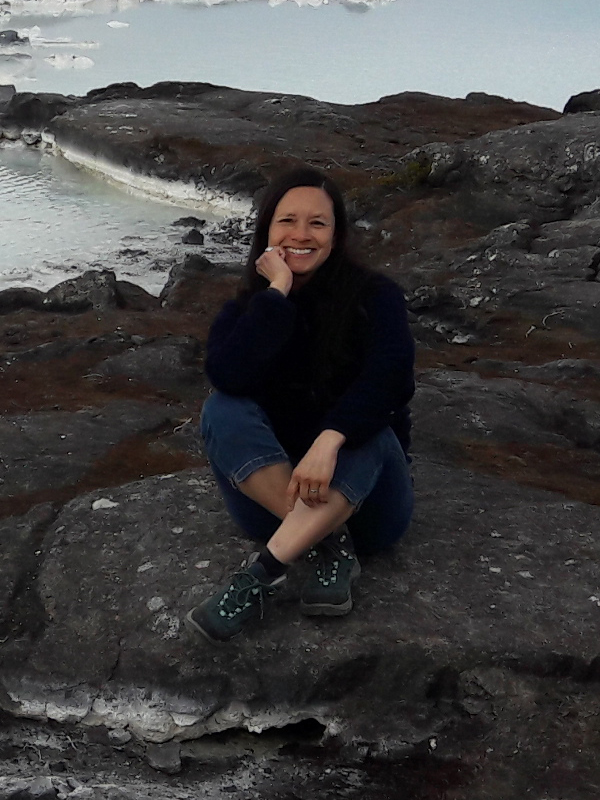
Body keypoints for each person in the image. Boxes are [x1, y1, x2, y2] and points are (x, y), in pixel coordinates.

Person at [185, 166, 415, 644]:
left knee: (370, 428)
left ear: (337, 234)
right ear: (267, 231)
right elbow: (229, 376)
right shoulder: (249, 309)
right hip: (273, 502)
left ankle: (261, 575)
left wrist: (329, 441)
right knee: (221, 408)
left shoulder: (376, 297)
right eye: (287, 221)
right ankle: (328, 542)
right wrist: (276, 295)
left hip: (368, 508)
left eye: (317, 223)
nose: (301, 234)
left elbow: (391, 378)